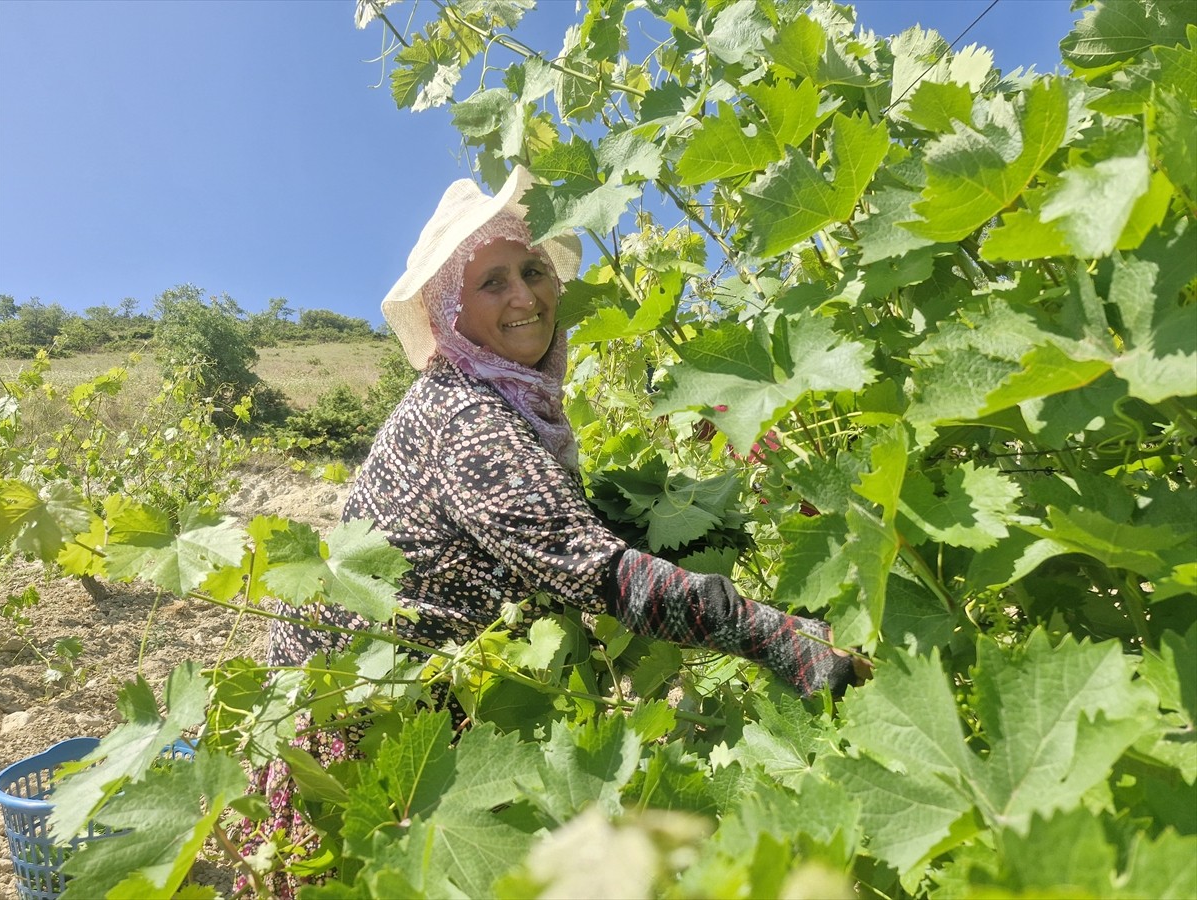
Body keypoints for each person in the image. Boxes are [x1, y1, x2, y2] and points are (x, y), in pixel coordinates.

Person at [238, 166, 857, 894]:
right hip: (364, 727)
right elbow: (595, 571)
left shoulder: (502, 399)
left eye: (533, 270)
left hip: (428, 703)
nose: (526, 295)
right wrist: (783, 640)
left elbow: (556, 538)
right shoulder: (467, 418)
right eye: (491, 282)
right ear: (448, 312)